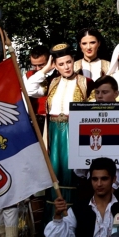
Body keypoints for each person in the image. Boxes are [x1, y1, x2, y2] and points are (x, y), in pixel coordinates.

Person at [25, 43, 91, 200]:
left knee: (71, 171)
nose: (66, 67)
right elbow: (29, 89)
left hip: (74, 131)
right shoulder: (51, 82)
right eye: (61, 64)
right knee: (54, 170)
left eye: (69, 62)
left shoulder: (86, 82)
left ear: (73, 61)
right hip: (54, 133)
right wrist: (45, 69)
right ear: (55, 65)